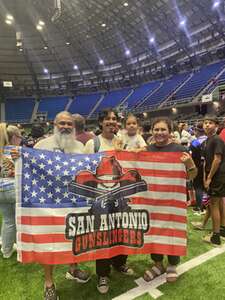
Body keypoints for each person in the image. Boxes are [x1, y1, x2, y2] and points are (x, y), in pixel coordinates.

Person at [13, 111, 90, 300]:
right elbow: (29, 167)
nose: (65, 126)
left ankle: (73, 268)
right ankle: (49, 282)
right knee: (49, 244)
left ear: (73, 126)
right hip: (49, 205)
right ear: (54, 124)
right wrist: (19, 156)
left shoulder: (80, 146)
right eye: (61, 123)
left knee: (75, 239)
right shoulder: (41, 145)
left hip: (74, 203)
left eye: (69, 124)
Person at [84, 108, 134, 294]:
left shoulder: (123, 141)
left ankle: (120, 263)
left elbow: (131, 167)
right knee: (103, 236)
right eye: (107, 119)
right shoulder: (93, 143)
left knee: (122, 231)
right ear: (100, 122)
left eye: (114, 119)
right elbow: (86, 170)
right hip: (101, 199)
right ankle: (102, 274)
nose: (112, 122)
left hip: (120, 197)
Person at [143, 117, 197, 283]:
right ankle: (158, 264)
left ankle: (172, 264)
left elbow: (192, 175)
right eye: (156, 129)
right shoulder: (147, 150)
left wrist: (189, 163)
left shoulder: (179, 149)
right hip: (152, 201)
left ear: (170, 131)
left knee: (173, 230)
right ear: (152, 131)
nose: (159, 133)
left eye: (163, 129)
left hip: (173, 201)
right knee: (154, 231)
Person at [202, 115, 225, 246]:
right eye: (205, 123)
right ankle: (221, 230)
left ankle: (215, 237)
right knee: (219, 202)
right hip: (214, 175)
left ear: (216, 125)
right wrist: (206, 176)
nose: (207, 125)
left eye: (210, 123)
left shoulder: (216, 140)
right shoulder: (208, 140)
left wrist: (209, 177)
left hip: (217, 176)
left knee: (214, 204)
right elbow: (207, 161)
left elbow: (217, 159)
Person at [0, 123, 23, 258]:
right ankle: (21, 248)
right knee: (20, 220)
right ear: (14, 137)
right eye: (20, 136)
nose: (21, 139)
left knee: (8, 220)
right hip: (14, 189)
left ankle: (6, 251)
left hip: (1, 190)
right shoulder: (17, 151)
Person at [190, 122, 207, 214]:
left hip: (198, 167)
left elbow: (190, 157)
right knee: (207, 187)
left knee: (198, 187)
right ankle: (208, 206)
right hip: (209, 167)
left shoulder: (195, 143)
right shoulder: (210, 140)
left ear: (197, 131)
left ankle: (200, 207)